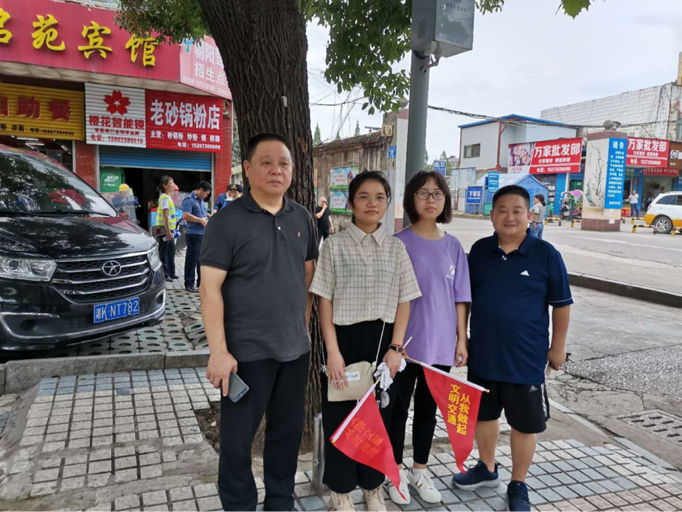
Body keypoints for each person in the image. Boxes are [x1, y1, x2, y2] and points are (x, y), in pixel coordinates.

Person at [200, 134, 318, 512]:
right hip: (244, 355)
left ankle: (280, 503)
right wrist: (219, 352)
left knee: (285, 436)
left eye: (283, 163)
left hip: (294, 351)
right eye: (266, 163)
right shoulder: (226, 222)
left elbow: (307, 278)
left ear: (292, 170)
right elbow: (209, 289)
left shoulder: (302, 217)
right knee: (237, 443)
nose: (276, 170)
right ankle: (239, 506)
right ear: (248, 169)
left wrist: (301, 329)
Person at [452, 185, 572, 512]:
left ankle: (518, 483)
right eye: (502, 211)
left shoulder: (546, 254)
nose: (510, 217)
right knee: (484, 415)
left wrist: (557, 348)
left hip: (526, 357)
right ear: (491, 216)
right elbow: (464, 299)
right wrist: (462, 338)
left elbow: (562, 305)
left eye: (517, 211)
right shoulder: (479, 252)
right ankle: (486, 467)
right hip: (484, 354)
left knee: (524, 424)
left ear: (529, 216)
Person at [310, 171, 422, 512]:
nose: (372, 203)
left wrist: (396, 348)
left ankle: (373, 487)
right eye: (364, 196)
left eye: (380, 197)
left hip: (384, 345)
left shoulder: (397, 248)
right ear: (350, 203)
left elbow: (405, 300)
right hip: (343, 342)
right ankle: (341, 491)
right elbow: (324, 301)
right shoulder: (334, 245)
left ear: (387, 203)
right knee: (341, 418)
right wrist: (332, 351)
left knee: (379, 419)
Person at [388, 171, 471, 506]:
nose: (431, 199)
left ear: (445, 200)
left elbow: (460, 298)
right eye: (423, 193)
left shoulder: (453, 247)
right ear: (412, 199)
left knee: (427, 410)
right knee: (396, 408)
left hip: (440, 345)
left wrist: (461, 340)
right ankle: (394, 471)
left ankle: (420, 470)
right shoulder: (398, 242)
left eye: (437, 194)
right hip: (404, 347)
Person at [182, 181, 211, 293]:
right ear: (201, 190)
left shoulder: (201, 200)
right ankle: (189, 284)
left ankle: (201, 283)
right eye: (206, 193)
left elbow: (202, 213)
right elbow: (186, 215)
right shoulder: (189, 200)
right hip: (194, 234)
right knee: (192, 260)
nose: (206, 196)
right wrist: (200, 220)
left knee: (201, 260)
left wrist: (210, 216)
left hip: (203, 233)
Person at [155, 176, 178, 281]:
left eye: (173, 183)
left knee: (171, 251)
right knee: (163, 252)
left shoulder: (168, 197)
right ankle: (165, 274)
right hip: (164, 230)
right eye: (171, 183)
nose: (173, 185)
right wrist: (168, 231)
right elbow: (165, 215)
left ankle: (171, 273)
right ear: (164, 185)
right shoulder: (164, 198)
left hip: (170, 230)